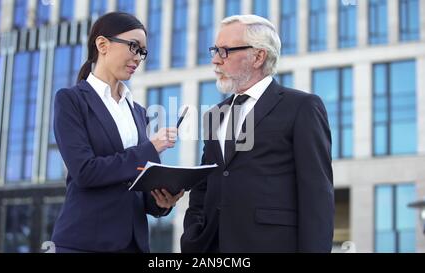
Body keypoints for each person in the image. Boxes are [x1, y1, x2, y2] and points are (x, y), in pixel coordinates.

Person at [181, 15, 334, 253]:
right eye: (215, 50)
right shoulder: (215, 114)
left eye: (224, 51)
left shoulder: (301, 106)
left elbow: (317, 195)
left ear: (258, 56)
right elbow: (206, 183)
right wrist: (193, 234)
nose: (214, 60)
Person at [51, 12, 184, 253]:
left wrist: (161, 202)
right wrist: (150, 149)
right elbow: (85, 172)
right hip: (85, 243)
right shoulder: (71, 101)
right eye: (134, 47)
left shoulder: (138, 111)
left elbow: (134, 185)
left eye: (142, 52)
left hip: (134, 244)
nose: (138, 58)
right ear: (102, 44)